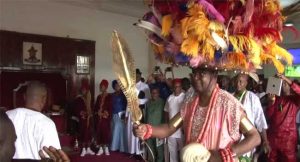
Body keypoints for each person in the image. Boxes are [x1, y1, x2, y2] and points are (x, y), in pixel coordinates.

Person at [134, 67, 261, 162]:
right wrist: (147, 129)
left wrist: (226, 154)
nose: (195, 77)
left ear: (214, 75)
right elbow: (169, 128)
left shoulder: (229, 103)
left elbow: (255, 137)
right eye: (194, 72)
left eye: (202, 73)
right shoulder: (190, 104)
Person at [6, 81, 61, 160]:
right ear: (44, 99)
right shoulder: (47, 123)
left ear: (24, 97)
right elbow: (53, 157)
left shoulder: (6, 116)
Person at [233, 74, 270, 159]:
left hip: (246, 141)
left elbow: (260, 120)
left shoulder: (252, 98)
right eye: (236, 81)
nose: (238, 83)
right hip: (230, 141)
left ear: (246, 83)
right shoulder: (230, 96)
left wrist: (265, 141)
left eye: (241, 81)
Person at [266, 73, 300, 162]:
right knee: (271, 159)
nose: (282, 85)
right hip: (273, 137)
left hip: (288, 140)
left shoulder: (294, 100)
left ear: (289, 86)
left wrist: (287, 80)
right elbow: (269, 116)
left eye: (285, 83)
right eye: (281, 83)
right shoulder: (275, 99)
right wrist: (271, 103)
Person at [126, 69, 150, 155]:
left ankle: (140, 152)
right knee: (131, 131)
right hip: (131, 111)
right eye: (134, 76)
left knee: (139, 130)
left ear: (140, 75)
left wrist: (138, 102)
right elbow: (128, 101)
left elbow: (148, 99)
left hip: (140, 111)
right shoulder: (130, 87)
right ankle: (132, 151)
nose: (136, 77)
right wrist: (126, 113)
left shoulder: (144, 86)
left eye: (138, 75)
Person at [164, 79, 185, 162]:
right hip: (171, 130)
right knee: (172, 152)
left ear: (181, 87)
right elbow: (166, 111)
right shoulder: (169, 98)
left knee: (183, 152)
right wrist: (166, 125)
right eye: (175, 87)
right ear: (172, 87)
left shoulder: (185, 97)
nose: (176, 88)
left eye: (178, 87)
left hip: (181, 130)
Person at [73, 78, 95, 157]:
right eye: (82, 89)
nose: (84, 91)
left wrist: (90, 114)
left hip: (89, 119)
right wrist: (82, 113)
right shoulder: (78, 99)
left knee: (89, 134)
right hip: (82, 120)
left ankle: (88, 149)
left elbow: (92, 108)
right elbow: (77, 110)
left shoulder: (89, 99)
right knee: (83, 134)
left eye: (85, 89)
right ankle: (83, 149)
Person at [145, 87, 165, 162]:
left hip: (158, 129)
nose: (154, 94)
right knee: (150, 147)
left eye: (155, 93)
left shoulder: (162, 102)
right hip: (148, 129)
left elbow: (165, 115)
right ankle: (151, 160)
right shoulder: (148, 102)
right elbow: (146, 115)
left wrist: (163, 128)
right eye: (152, 93)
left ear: (158, 93)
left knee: (159, 148)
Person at [94, 79, 112, 156]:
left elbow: (110, 107)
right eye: (101, 86)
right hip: (99, 118)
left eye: (103, 86)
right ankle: (101, 149)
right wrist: (97, 112)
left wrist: (105, 113)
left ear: (106, 87)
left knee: (105, 132)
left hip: (105, 119)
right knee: (99, 132)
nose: (101, 87)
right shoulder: (98, 97)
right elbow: (95, 107)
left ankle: (106, 148)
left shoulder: (109, 96)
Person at [111, 80, 128, 153]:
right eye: (116, 86)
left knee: (123, 131)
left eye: (119, 86)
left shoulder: (124, 95)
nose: (117, 87)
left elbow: (127, 105)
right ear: (114, 87)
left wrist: (125, 114)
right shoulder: (111, 95)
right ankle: (114, 147)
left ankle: (123, 148)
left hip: (123, 114)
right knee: (116, 130)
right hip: (115, 114)